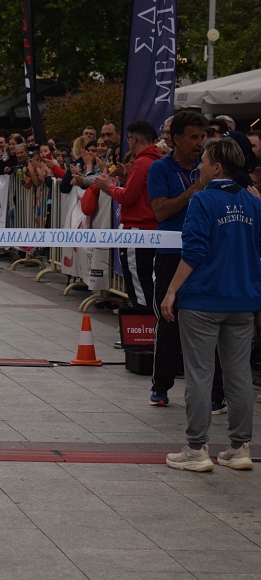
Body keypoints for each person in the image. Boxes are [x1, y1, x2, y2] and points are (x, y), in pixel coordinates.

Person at [161, 138, 261, 472]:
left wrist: (172, 290)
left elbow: (194, 252)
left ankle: (196, 449)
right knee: (239, 375)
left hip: (203, 297)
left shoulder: (202, 200)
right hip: (243, 298)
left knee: (200, 375)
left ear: (217, 166)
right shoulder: (252, 201)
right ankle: (240, 447)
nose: (199, 166)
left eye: (203, 161)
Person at [147, 111, 209, 406]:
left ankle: (215, 393)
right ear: (176, 139)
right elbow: (160, 210)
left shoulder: (209, 166)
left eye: (203, 136)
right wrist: (195, 189)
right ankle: (161, 387)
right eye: (194, 137)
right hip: (171, 254)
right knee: (169, 319)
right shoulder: (161, 168)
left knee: (209, 320)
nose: (200, 143)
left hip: (205, 255)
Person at [93, 121, 163, 307]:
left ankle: (143, 326)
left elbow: (128, 197)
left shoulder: (142, 162)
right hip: (150, 228)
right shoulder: (156, 161)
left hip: (137, 228)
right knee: (146, 279)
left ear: (134, 140)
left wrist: (110, 188)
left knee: (138, 282)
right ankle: (148, 325)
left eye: (128, 139)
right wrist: (125, 179)